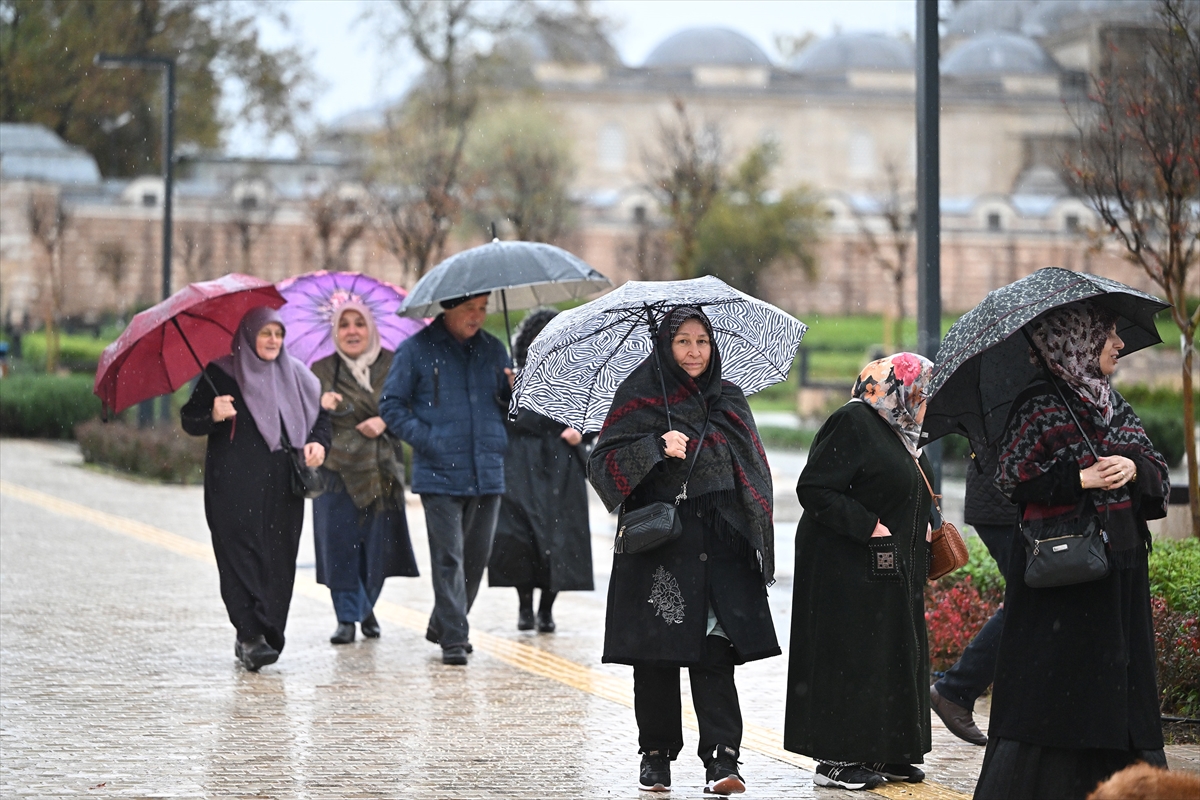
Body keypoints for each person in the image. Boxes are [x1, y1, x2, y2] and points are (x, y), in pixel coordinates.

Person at [974, 301, 1170, 800]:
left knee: (1117, 690)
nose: (1120, 344)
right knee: (1058, 694)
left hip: (1120, 569)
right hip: (1063, 576)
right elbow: (1010, 477)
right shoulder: (1038, 403)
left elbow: (1157, 470)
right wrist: (1078, 478)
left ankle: (1123, 785)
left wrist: (1133, 468)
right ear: (1077, 342)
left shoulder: (1111, 402)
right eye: (1109, 336)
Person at [589, 306, 778, 797]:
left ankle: (722, 758)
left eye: (702, 342)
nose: (694, 352)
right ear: (664, 347)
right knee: (656, 657)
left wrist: (754, 535)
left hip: (720, 549)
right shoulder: (638, 397)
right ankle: (655, 757)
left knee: (716, 653)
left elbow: (754, 470)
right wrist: (654, 446)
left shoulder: (729, 398)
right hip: (659, 550)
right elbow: (602, 467)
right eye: (683, 342)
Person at [784, 353, 935, 791]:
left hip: (889, 562)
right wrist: (869, 525)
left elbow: (903, 489)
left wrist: (926, 526)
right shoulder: (853, 421)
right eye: (920, 392)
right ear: (890, 387)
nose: (924, 402)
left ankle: (887, 747)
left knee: (890, 651)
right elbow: (814, 489)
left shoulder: (901, 431)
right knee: (849, 655)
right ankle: (835, 757)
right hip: (842, 564)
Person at [181, 306, 330, 672]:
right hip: (232, 488)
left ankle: (268, 633)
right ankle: (249, 635)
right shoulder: (221, 374)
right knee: (240, 560)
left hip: (284, 488)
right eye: (265, 333)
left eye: (278, 334)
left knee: (278, 561)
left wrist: (317, 444)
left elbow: (319, 421)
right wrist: (213, 414)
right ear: (249, 335)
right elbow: (190, 418)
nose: (273, 341)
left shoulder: (298, 376)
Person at [379, 292, 512, 666]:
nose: (478, 316)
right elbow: (390, 405)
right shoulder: (415, 349)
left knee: (476, 558)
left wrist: (513, 390)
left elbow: (508, 408)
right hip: (438, 472)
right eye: (470, 308)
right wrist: (430, 441)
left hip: (487, 468)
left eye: (484, 309)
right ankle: (454, 637)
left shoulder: (494, 349)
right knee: (449, 558)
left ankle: (444, 622)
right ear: (448, 307)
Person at [311, 302, 419, 645]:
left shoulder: (393, 363)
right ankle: (347, 618)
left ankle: (364, 606)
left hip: (381, 470)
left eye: (359, 323)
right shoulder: (321, 369)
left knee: (378, 548)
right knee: (338, 547)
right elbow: (303, 421)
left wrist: (385, 420)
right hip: (334, 471)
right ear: (336, 332)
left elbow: (411, 406)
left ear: (371, 328)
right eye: (345, 325)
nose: (353, 331)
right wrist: (319, 407)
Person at [488, 309, 593, 633]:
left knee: (560, 538)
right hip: (521, 461)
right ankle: (524, 605)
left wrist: (582, 431)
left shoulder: (577, 374)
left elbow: (596, 410)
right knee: (521, 535)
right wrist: (509, 392)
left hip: (561, 463)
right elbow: (500, 415)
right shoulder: (512, 374)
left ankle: (546, 608)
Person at [929, 441, 1018, 746]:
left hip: (1004, 499)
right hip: (1006, 503)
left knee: (1034, 604)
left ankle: (956, 691)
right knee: (1029, 603)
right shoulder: (1011, 396)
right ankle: (955, 691)